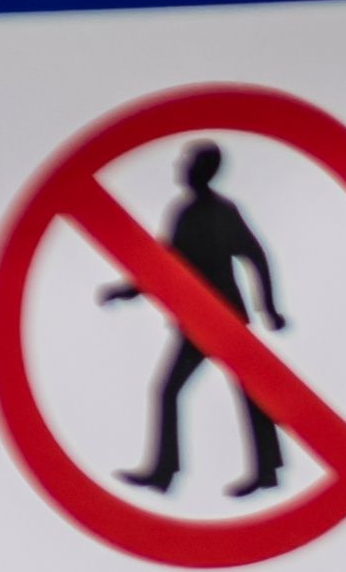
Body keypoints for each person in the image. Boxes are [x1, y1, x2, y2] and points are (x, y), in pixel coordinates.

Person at [115, 141, 292, 498]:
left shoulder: (224, 212)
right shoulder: (183, 213)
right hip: (196, 321)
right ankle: (166, 471)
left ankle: (266, 471)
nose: (180, 167)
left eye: (187, 161)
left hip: (223, 318)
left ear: (203, 169)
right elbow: (163, 265)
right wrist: (129, 291)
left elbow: (255, 256)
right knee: (174, 390)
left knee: (249, 393)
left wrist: (268, 308)